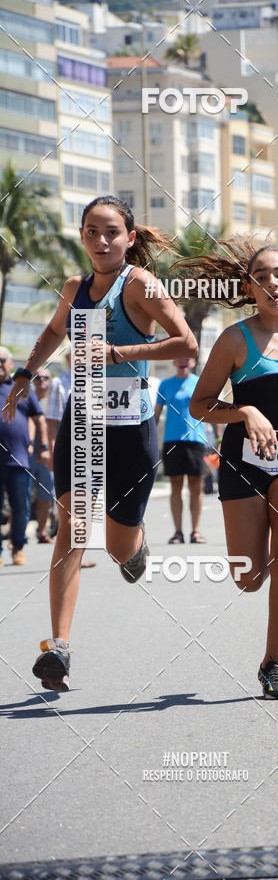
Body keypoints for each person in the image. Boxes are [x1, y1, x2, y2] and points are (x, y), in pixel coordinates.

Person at [4, 195, 197, 692]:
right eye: (92, 230)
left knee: (115, 548)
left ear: (129, 238)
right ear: (84, 236)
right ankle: (60, 648)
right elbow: (52, 333)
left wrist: (117, 351)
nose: (101, 239)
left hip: (131, 428)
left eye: (112, 231)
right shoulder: (74, 288)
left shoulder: (142, 285)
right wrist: (27, 371)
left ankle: (135, 544)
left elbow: (186, 344)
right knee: (72, 531)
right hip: (82, 422)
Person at [183, 238, 278, 699]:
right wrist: (245, 412)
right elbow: (199, 405)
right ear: (250, 287)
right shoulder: (235, 339)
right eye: (261, 276)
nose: (272, 283)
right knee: (249, 578)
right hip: (242, 462)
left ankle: (273, 664)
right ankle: (260, 559)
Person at [0, 347, 50, 565]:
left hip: (19, 459)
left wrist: (44, 446)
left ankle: (18, 547)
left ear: (11, 364)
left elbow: (39, 418)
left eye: (2, 360)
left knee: (20, 506)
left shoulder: (20, 387)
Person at [155, 358, 209, 544]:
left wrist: (218, 438)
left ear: (193, 362)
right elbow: (156, 414)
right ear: (174, 362)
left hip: (195, 440)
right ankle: (178, 532)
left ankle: (195, 531)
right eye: (179, 358)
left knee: (196, 486)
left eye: (187, 358)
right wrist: (150, 440)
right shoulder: (165, 384)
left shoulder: (199, 383)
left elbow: (211, 408)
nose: (183, 361)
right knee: (176, 486)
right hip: (172, 440)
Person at [30, 368, 54, 542]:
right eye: (37, 378)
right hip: (27, 454)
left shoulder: (54, 402)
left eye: (45, 377)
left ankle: (42, 531)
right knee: (23, 494)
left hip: (48, 456)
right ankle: (20, 533)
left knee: (45, 495)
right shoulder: (26, 399)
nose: (41, 380)